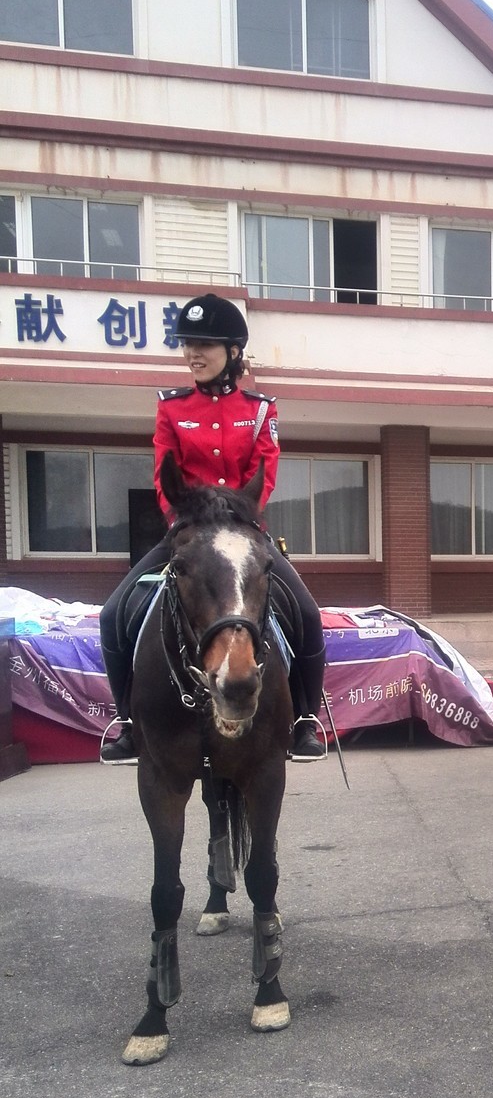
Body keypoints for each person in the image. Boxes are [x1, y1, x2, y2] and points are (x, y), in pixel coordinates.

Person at [99, 292, 326, 764]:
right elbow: (165, 477)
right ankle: (126, 721)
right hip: (185, 532)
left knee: (306, 615)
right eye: (187, 344)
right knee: (112, 614)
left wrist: (240, 520)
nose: (192, 354)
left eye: (205, 344)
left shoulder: (261, 409)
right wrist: (184, 522)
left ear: (234, 352)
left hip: (246, 533)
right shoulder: (171, 408)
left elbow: (265, 473)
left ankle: (306, 719)